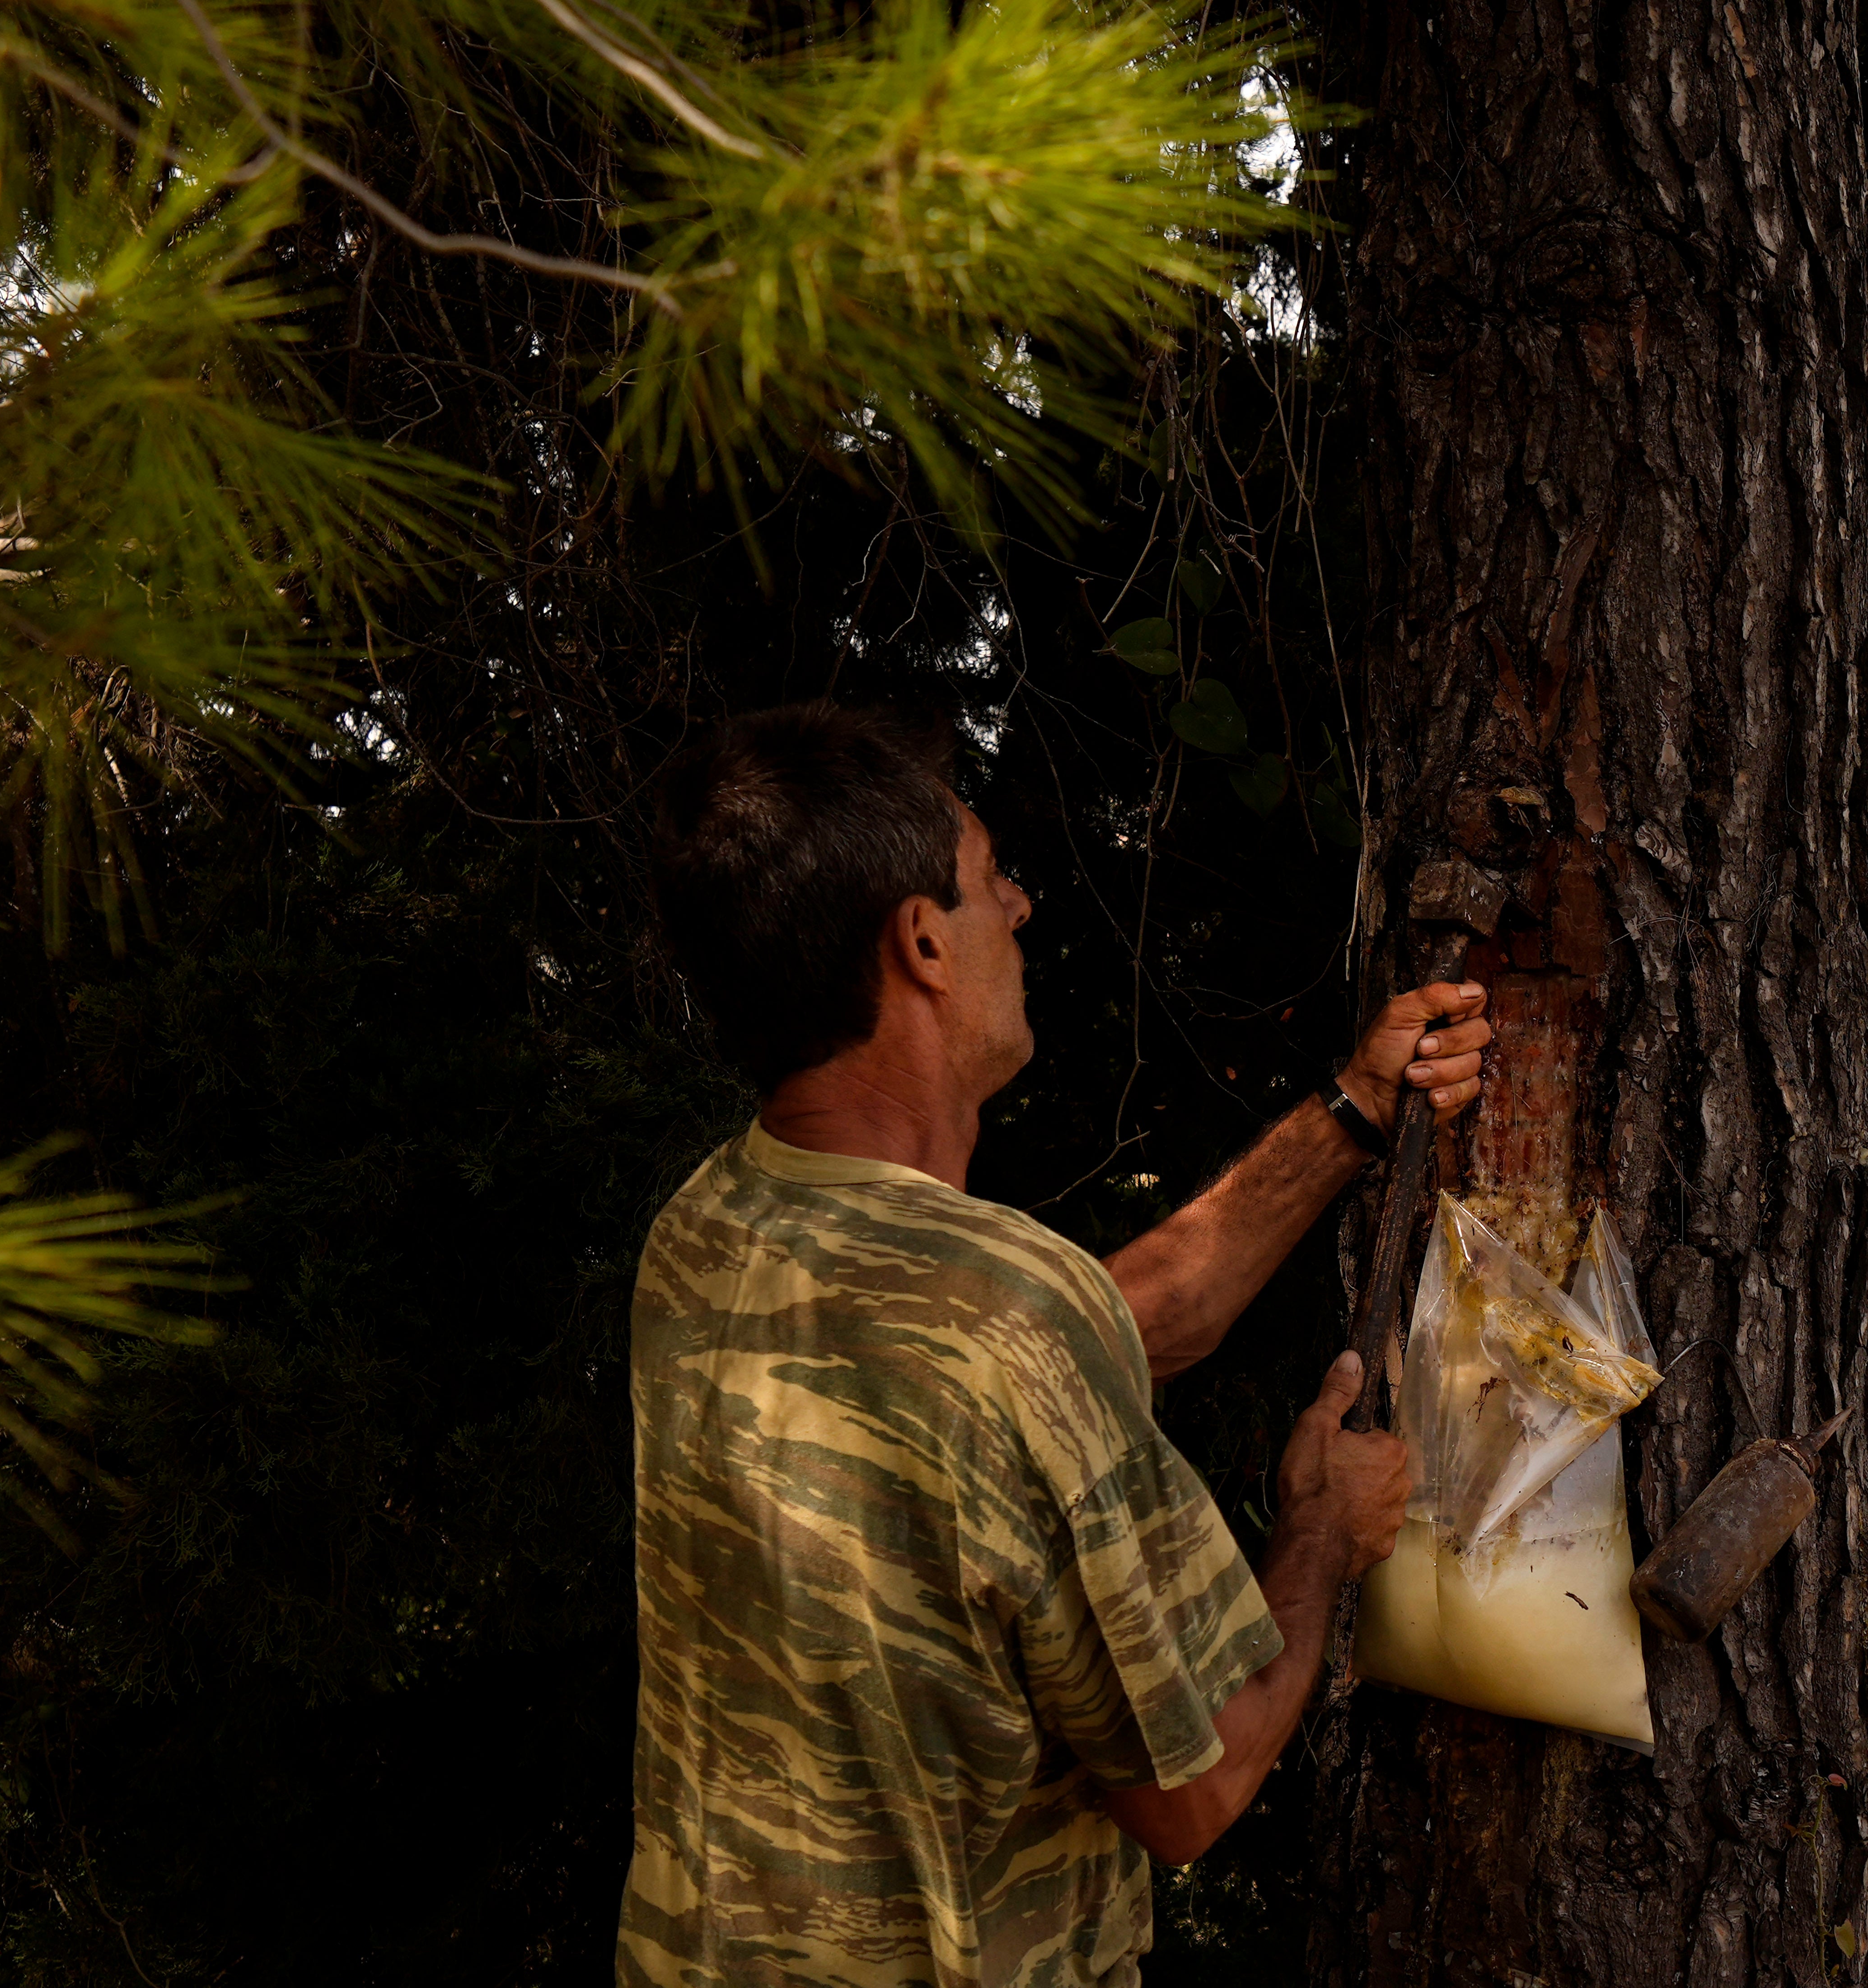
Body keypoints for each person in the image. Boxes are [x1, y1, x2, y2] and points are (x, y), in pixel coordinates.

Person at [618, 702, 1491, 1988]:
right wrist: (1321, 1539)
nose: (1020, 908)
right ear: (921, 944)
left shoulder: (710, 1229)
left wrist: (1353, 1112)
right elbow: (1195, 1789)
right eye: (987, 883)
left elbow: (1065, 1345)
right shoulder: (1009, 1325)